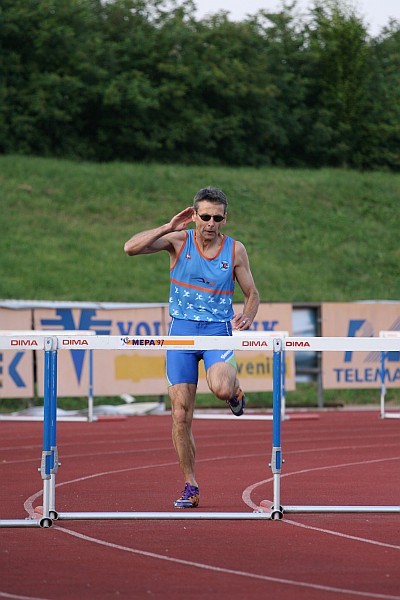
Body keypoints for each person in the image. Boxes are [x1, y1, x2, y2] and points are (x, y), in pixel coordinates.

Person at [124, 186, 260, 509]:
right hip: (181, 333)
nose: (210, 223)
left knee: (222, 387)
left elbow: (252, 294)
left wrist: (249, 315)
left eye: (217, 218)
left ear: (225, 219)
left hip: (216, 331)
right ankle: (190, 485)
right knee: (180, 415)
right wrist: (168, 227)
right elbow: (130, 248)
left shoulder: (235, 251)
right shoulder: (179, 241)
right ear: (194, 215)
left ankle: (236, 393)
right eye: (205, 217)